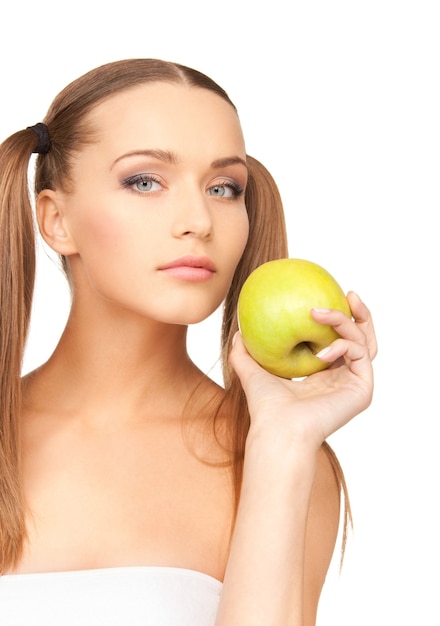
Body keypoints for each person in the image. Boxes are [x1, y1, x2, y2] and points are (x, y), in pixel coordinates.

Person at [0, 59, 376, 626]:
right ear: (56, 220)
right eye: (144, 181)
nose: (199, 219)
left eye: (223, 188)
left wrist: (282, 445)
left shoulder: (276, 458)